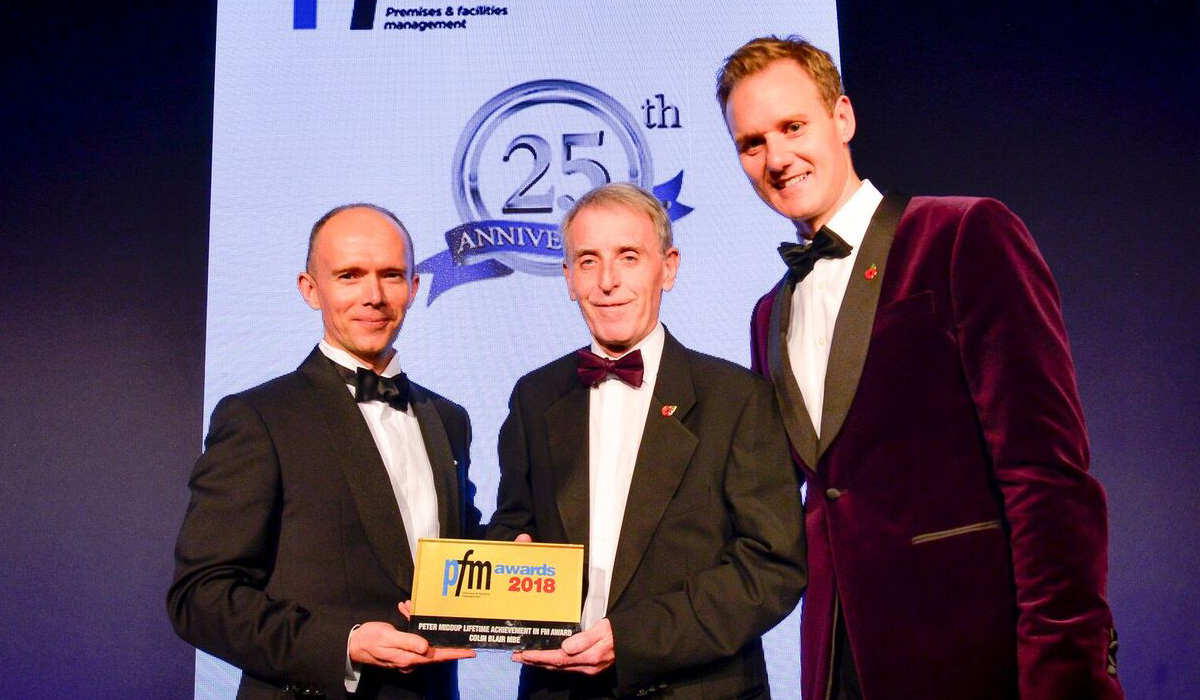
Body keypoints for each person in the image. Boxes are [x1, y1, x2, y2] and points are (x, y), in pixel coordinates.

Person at [717, 36, 1124, 700]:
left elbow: (1047, 477)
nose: (777, 158)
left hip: (976, 659)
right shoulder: (770, 314)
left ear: (842, 118)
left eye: (793, 126)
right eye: (752, 143)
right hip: (838, 667)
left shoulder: (964, 236)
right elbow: (760, 504)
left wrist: (1065, 670)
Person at [488, 182, 807, 700]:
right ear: (568, 279)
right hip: (558, 689)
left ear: (669, 266)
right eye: (588, 261)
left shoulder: (736, 398)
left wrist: (632, 639)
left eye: (628, 257)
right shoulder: (534, 396)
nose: (608, 281)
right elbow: (512, 524)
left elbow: (771, 566)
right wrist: (491, 577)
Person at [168, 203, 481, 700]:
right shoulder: (259, 418)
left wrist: (513, 564)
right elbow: (200, 597)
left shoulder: (448, 419)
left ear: (415, 288)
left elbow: (452, 557)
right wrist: (345, 644)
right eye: (349, 275)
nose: (373, 296)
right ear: (310, 289)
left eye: (392, 275)